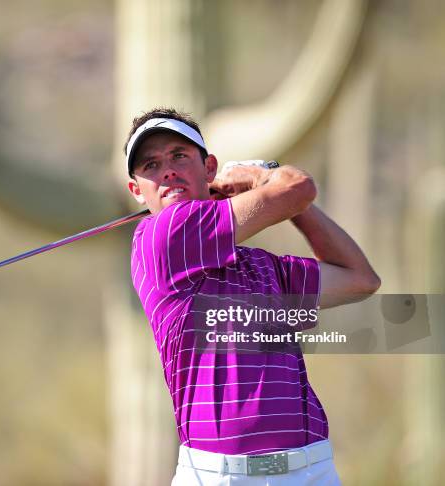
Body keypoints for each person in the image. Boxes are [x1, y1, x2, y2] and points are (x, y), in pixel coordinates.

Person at [124, 107, 380, 485]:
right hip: (220, 476)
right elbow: (298, 187)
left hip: (311, 469)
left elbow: (360, 279)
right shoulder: (159, 239)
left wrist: (293, 207)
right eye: (150, 165)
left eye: (179, 156)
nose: (167, 170)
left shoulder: (262, 266)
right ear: (137, 190)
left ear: (209, 168)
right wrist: (262, 175)